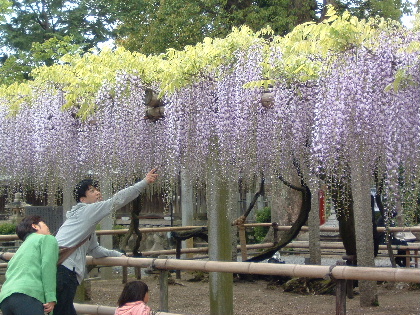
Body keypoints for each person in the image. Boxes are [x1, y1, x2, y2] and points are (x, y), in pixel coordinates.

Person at [54, 168, 158, 315]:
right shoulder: (86, 211)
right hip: (65, 272)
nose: (97, 192)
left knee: (64, 310)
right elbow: (116, 201)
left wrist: (118, 255)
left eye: (97, 189)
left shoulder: (83, 222)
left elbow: (95, 250)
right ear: (82, 199)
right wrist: (144, 182)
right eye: (91, 191)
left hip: (61, 269)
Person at [0, 216, 58, 315]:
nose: (47, 227)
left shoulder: (21, 248)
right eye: (44, 223)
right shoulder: (47, 239)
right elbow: (48, 267)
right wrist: (50, 297)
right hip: (28, 294)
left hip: (6, 297)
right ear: (35, 226)